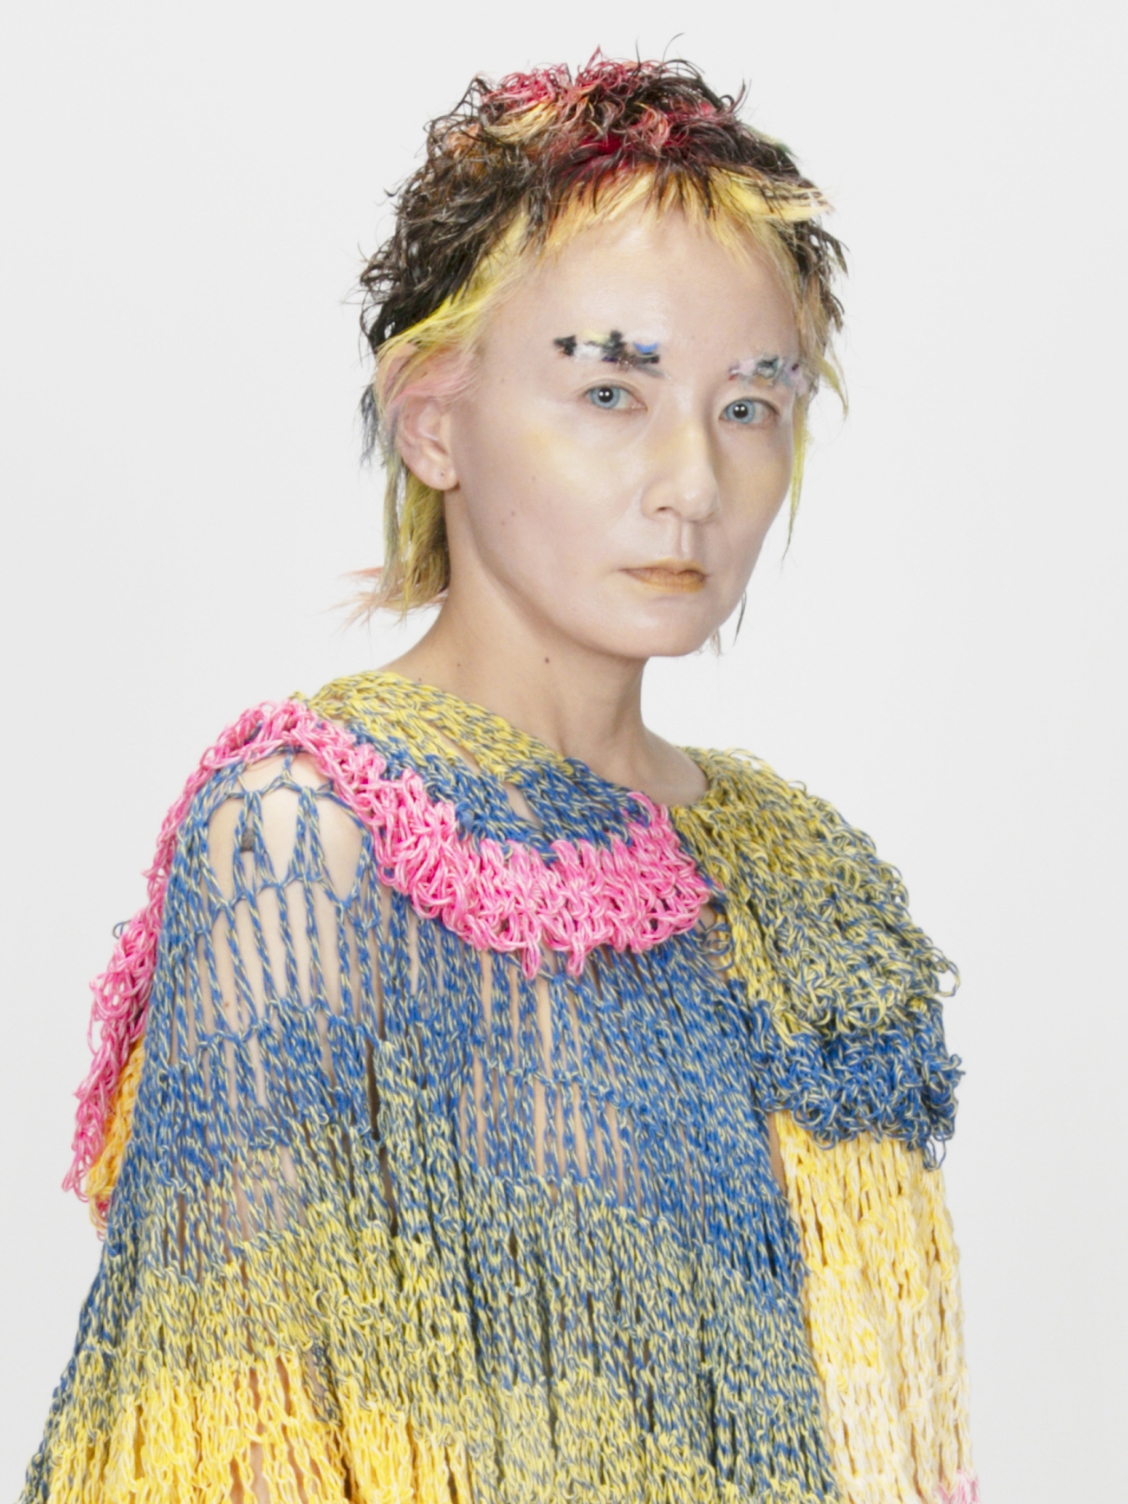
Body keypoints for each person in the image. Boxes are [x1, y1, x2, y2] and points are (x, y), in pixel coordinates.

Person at [22, 56, 977, 1504]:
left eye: (749, 406)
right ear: (434, 419)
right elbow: (224, 1434)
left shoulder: (806, 881)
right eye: (610, 390)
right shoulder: (309, 839)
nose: (693, 483)